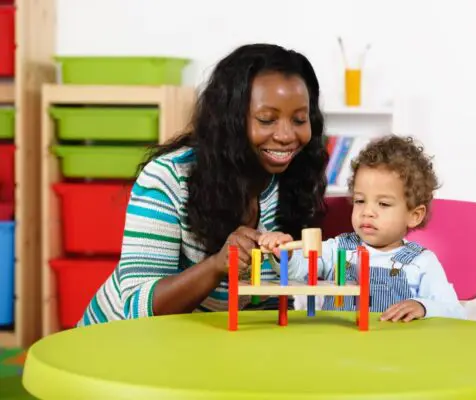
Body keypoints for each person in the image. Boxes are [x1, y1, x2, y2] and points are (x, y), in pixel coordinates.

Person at [77, 43, 329, 326]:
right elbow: (137, 308)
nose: (286, 135)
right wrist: (216, 266)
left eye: (299, 119)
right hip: (119, 342)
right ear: (231, 120)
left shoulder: (291, 183)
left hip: (201, 347)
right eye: (266, 119)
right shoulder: (169, 177)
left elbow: (268, 301)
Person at [259, 135, 466, 322]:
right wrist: (282, 253)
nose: (367, 212)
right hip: (340, 347)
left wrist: (422, 306)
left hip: (394, 352)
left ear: (414, 215)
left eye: (383, 204)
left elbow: (453, 310)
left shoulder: (422, 262)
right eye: (360, 201)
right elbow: (301, 269)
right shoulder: (339, 248)